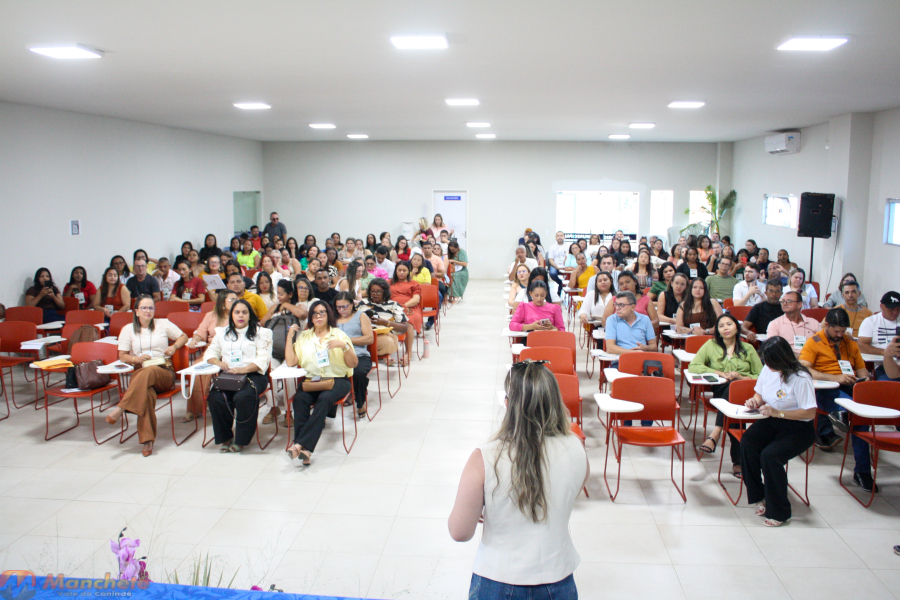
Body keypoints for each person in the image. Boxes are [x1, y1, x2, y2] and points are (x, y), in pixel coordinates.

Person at [449, 360, 586, 599]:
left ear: (508, 404)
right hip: (559, 577)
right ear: (555, 400)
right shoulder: (576, 448)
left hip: (498, 580)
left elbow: (460, 531)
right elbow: (567, 493)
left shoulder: (485, 457)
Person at [741, 337, 817, 526]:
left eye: (771, 362)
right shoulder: (768, 369)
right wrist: (755, 401)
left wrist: (778, 412)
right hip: (773, 420)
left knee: (770, 456)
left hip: (798, 427)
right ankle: (758, 496)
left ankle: (779, 511)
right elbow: (759, 392)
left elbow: (809, 411)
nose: (768, 365)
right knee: (748, 442)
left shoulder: (800, 378)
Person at [799, 309, 875, 490]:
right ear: (827, 325)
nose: (839, 335)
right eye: (836, 331)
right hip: (825, 389)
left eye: (843, 331)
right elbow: (804, 369)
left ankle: (862, 471)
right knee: (847, 406)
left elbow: (862, 369)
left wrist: (865, 379)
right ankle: (840, 414)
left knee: (862, 420)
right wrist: (834, 378)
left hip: (850, 386)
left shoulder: (850, 342)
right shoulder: (814, 342)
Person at [104, 295, 188, 457]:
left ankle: (121, 407)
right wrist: (136, 359)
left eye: (151, 308)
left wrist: (174, 348)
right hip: (141, 372)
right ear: (136, 311)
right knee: (146, 393)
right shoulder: (128, 329)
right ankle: (147, 441)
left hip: (163, 371)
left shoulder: (162, 324)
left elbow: (183, 336)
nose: (148, 311)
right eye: (144, 308)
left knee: (149, 372)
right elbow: (122, 356)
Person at [283, 300, 356, 465]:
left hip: (337, 379)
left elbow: (353, 364)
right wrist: (289, 337)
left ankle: (299, 444)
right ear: (311, 317)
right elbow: (290, 361)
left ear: (328, 314)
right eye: (315, 313)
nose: (318, 316)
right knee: (300, 400)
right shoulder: (304, 337)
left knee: (324, 399)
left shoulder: (338, 334)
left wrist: (344, 346)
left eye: (322, 312)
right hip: (313, 380)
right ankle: (305, 450)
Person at [691, 314, 763, 476]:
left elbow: (760, 376)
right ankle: (738, 462)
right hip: (721, 391)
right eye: (721, 325)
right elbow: (694, 366)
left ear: (737, 328)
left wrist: (740, 377)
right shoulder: (710, 345)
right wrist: (718, 372)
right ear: (717, 329)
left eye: (729, 324)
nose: (725, 328)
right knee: (734, 404)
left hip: (746, 393)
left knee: (734, 388)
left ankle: (716, 432)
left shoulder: (748, 348)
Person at [203, 299, 273, 453]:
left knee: (243, 397)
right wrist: (218, 362)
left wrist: (244, 369)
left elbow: (264, 358)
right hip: (229, 375)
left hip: (253, 375)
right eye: (237, 312)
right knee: (215, 398)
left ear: (250, 315)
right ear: (232, 315)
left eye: (244, 312)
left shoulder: (261, 332)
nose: (240, 315)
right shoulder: (222, 332)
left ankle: (242, 439)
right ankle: (225, 437)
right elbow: (210, 353)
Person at [260, 280, 309, 426]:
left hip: (292, 351)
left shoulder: (298, 306)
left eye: (281, 294)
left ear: (290, 294)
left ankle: (290, 411)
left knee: (288, 374)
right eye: (277, 294)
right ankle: (273, 408)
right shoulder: (274, 308)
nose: (279, 297)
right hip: (274, 350)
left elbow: (303, 314)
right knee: (269, 371)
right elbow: (263, 323)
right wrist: (276, 309)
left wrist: (286, 305)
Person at [334, 292, 374, 419]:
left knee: (358, 372)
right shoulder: (332, 318)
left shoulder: (360, 316)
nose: (341, 310)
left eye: (344, 307)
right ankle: (328, 409)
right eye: (338, 307)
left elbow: (369, 338)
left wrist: (346, 342)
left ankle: (360, 402)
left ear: (352, 304)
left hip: (359, 354)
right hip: (337, 356)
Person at [360, 278, 415, 365]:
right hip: (365, 333)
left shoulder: (394, 305)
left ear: (385, 292)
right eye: (372, 291)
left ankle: (385, 354)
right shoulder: (363, 303)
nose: (375, 294)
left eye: (379, 291)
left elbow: (405, 327)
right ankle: (383, 354)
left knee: (387, 341)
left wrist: (386, 323)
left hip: (385, 334)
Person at [765, 290, 820, 354]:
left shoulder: (813, 323)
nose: (785, 304)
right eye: (783, 301)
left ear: (799, 304)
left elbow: (820, 344)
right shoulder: (775, 324)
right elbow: (772, 349)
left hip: (811, 359)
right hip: (787, 360)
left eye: (789, 301)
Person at [858, 291, 900, 364]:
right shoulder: (870, 321)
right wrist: (887, 352)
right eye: (891, 309)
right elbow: (861, 346)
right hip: (882, 364)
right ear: (881, 306)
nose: (895, 312)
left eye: (898, 309)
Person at [390, 261, 424, 335]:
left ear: (409, 271)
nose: (401, 272)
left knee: (408, 322)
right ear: (395, 271)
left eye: (404, 270)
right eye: (399, 270)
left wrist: (404, 306)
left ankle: (408, 347)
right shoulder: (389, 282)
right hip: (392, 308)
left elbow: (416, 299)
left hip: (410, 308)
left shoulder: (414, 283)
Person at [545, 231, 568, 295]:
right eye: (558, 236)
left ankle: (562, 287)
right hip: (555, 265)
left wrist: (564, 266)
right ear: (556, 238)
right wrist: (557, 267)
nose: (560, 237)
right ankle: (561, 283)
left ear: (564, 237)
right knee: (552, 273)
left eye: (561, 235)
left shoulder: (568, 246)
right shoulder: (552, 247)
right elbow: (550, 259)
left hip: (565, 265)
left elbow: (568, 257)